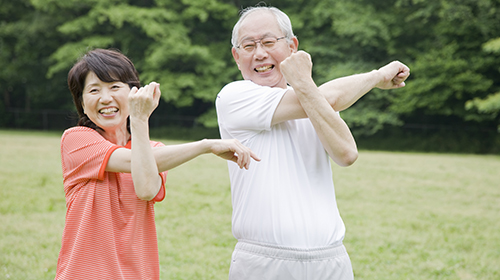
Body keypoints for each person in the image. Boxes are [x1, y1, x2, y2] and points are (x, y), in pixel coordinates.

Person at [215, 6, 410, 280]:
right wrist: (377, 76)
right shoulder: (233, 96)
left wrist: (304, 84)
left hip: (331, 258)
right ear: (237, 56)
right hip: (264, 261)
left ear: (292, 46)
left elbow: (347, 153)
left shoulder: (314, 100)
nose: (259, 53)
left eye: (269, 42)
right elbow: (326, 97)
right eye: (248, 46)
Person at [55, 48, 259, 279]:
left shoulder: (154, 151)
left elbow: (146, 188)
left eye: (114, 87)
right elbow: (135, 162)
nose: (105, 98)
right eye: (93, 90)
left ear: (133, 93)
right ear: (81, 103)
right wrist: (205, 145)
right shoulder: (76, 140)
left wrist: (142, 123)